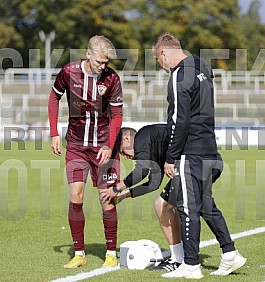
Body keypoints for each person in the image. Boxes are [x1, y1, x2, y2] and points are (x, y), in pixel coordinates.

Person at [152, 32, 247, 279]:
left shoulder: (178, 75)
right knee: (205, 204)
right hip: (209, 149)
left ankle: (191, 265)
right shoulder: (201, 65)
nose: (160, 66)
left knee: (187, 207)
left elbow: (178, 119)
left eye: (158, 60)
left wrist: (170, 156)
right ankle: (230, 253)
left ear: (163, 53)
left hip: (190, 152)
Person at [102, 124, 223, 272]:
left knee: (163, 206)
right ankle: (225, 251)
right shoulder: (153, 145)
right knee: (198, 208)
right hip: (209, 162)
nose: (127, 157)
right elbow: (153, 183)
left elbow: (141, 171)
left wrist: (115, 188)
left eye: (123, 152)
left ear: (127, 139)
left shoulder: (141, 137)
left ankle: (179, 260)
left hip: (197, 164)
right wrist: (125, 195)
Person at [48, 35, 123, 268]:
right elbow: (54, 98)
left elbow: (117, 115)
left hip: (104, 146)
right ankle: (79, 253)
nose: (104, 66)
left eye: (107, 62)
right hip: (77, 146)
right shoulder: (68, 72)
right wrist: (53, 133)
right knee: (76, 196)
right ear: (88, 54)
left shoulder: (112, 79)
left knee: (107, 199)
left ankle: (111, 253)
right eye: (101, 61)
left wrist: (110, 146)